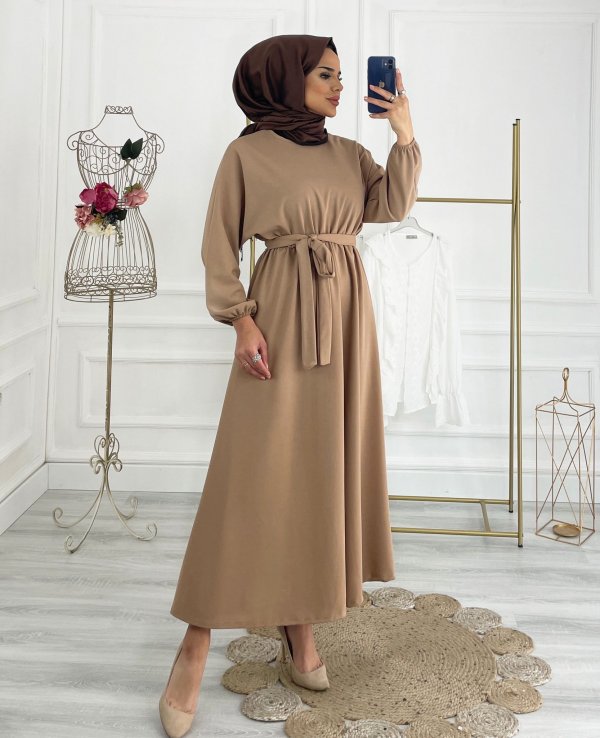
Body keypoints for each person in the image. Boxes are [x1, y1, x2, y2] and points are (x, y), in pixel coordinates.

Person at [158, 34, 422, 738]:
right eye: (324, 74)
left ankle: (298, 625)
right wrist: (239, 319)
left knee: (315, 473)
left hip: (346, 322)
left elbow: (391, 206)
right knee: (249, 475)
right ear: (283, 79)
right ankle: (196, 640)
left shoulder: (349, 154)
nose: (338, 86)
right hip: (277, 318)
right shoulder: (246, 155)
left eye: (341, 75)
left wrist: (403, 134)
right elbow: (219, 243)